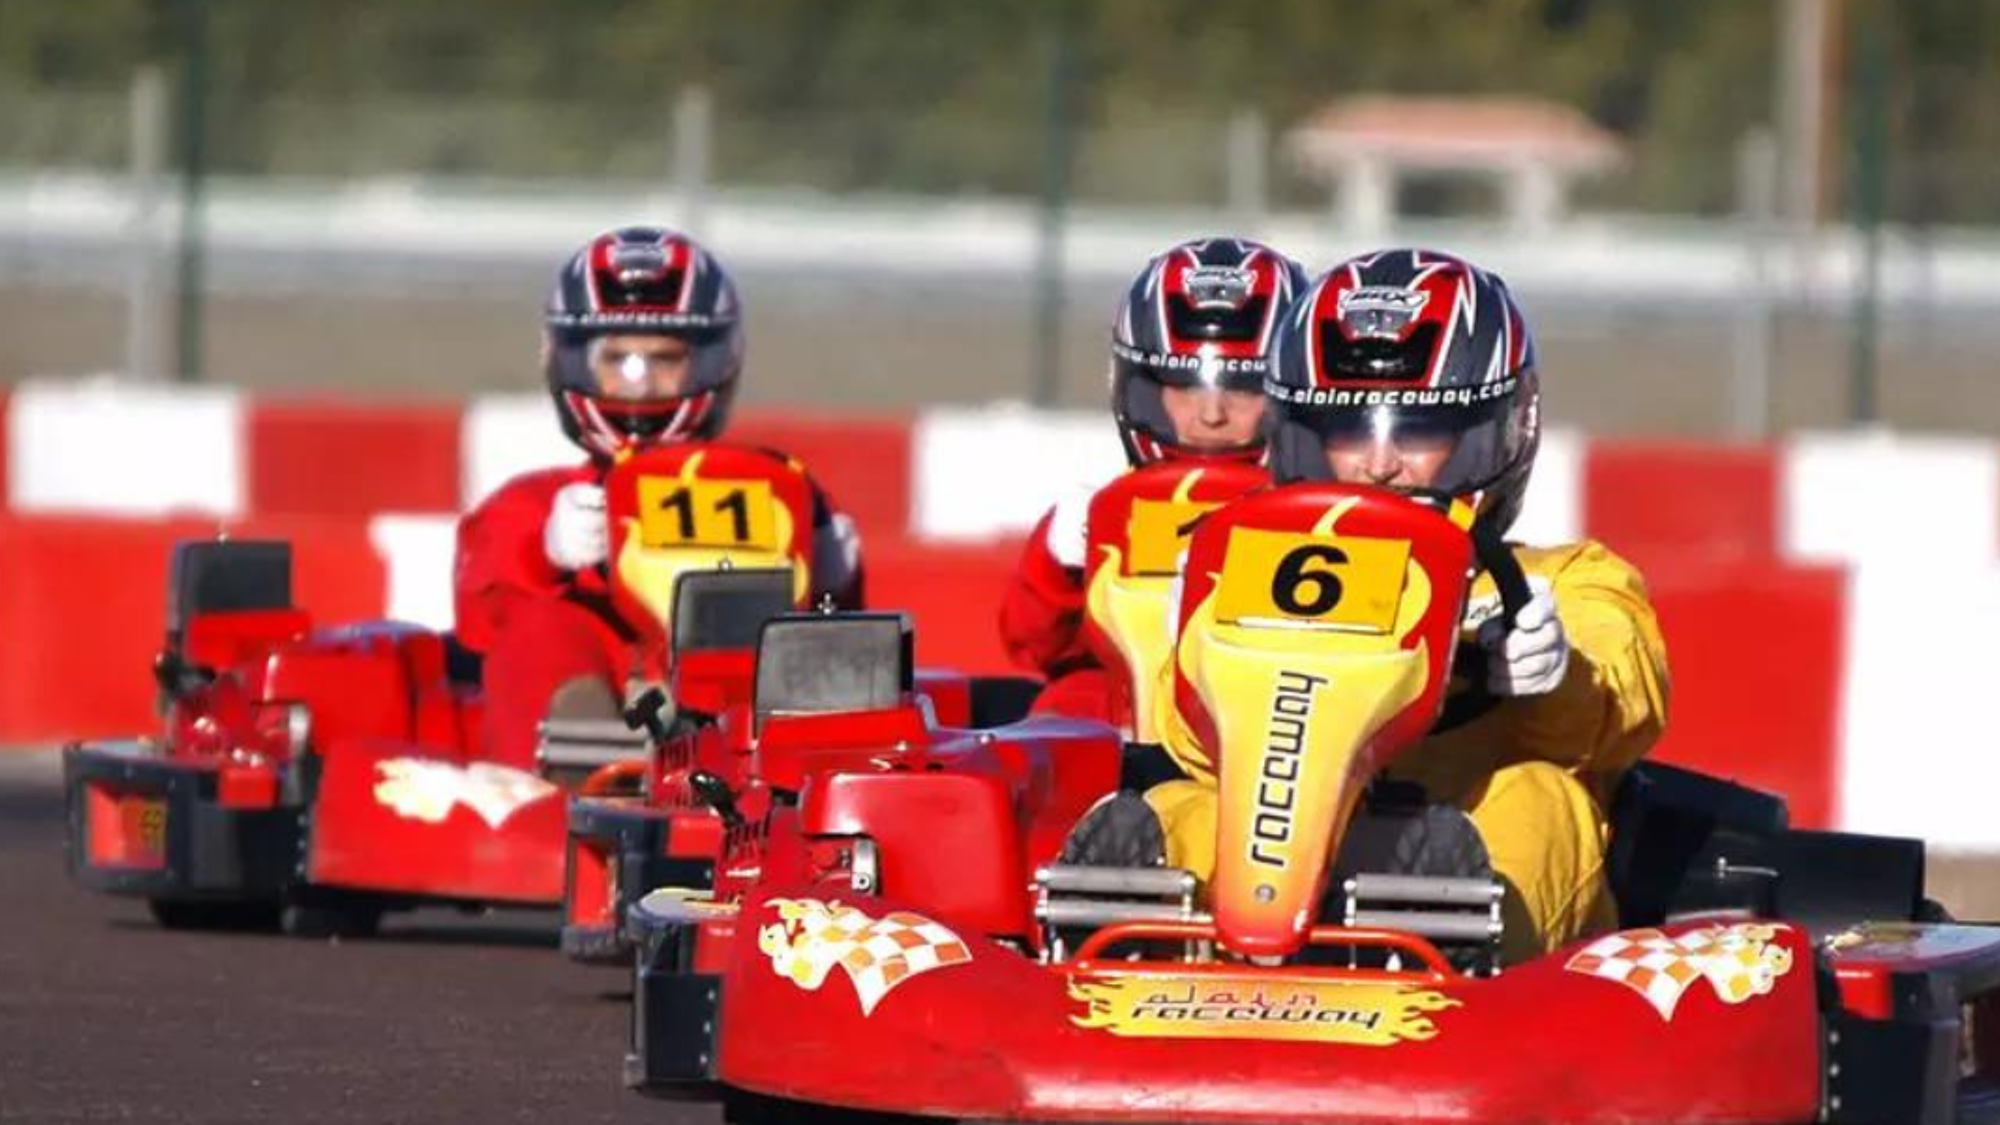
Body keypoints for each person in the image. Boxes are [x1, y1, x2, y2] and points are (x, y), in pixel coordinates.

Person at [1080, 248, 1670, 962]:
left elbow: (1627, 693)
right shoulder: (1259, 570)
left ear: (1497, 433)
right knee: (1179, 807)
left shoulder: (1559, 579)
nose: (1379, 463)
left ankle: (1451, 940)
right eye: (1348, 433)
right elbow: (1194, 751)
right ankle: (1124, 947)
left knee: (1543, 797)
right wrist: (1199, 655)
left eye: (1417, 433)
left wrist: (1556, 673)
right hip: (1291, 843)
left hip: (1468, 848)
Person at [454, 226, 863, 769]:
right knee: (544, 624)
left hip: (742, 728)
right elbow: (479, 615)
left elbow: (841, 641)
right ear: (569, 361)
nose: (641, 384)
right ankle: (587, 765)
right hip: (577, 739)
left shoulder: (775, 486)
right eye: (618, 359)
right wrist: (543, 554)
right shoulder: (538, 503)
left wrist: (833, 580)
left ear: (713, 362)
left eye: (664, 359)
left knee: (834, 644)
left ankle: (818, 781)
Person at [998, 237, 1306, 723]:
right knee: (1066, 704)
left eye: (1244, 388)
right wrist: (1058, 564)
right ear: (1139, 388)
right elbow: (1033, 645)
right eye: (1184, 387)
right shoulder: (1106, 512)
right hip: (1128, 722)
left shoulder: (1319, 515)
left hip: (1265, 718)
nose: (1211, 413)